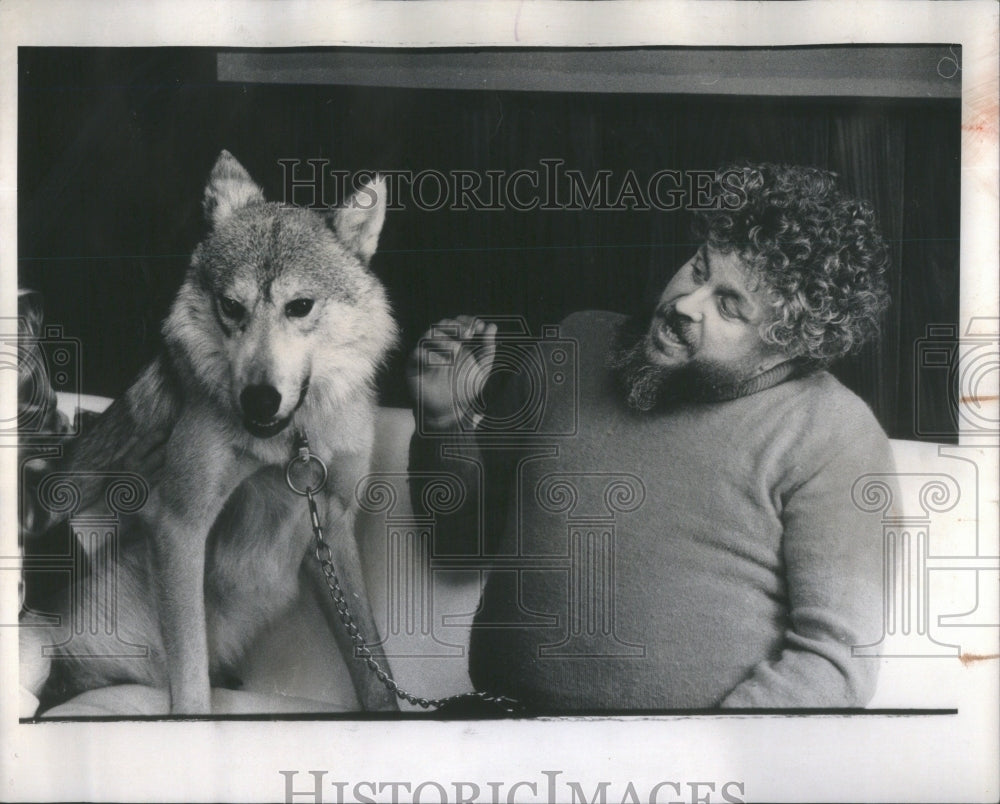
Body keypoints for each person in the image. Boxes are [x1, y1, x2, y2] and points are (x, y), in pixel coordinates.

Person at [406, 162, 896, 711]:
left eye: (728, 305)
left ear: (785, 343)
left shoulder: (834, 433)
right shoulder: (577, 342)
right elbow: (457, 544)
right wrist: (445, 420)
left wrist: (691, 765)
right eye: (698, 268)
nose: (687, 303)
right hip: (498, 732)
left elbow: (834, 666)